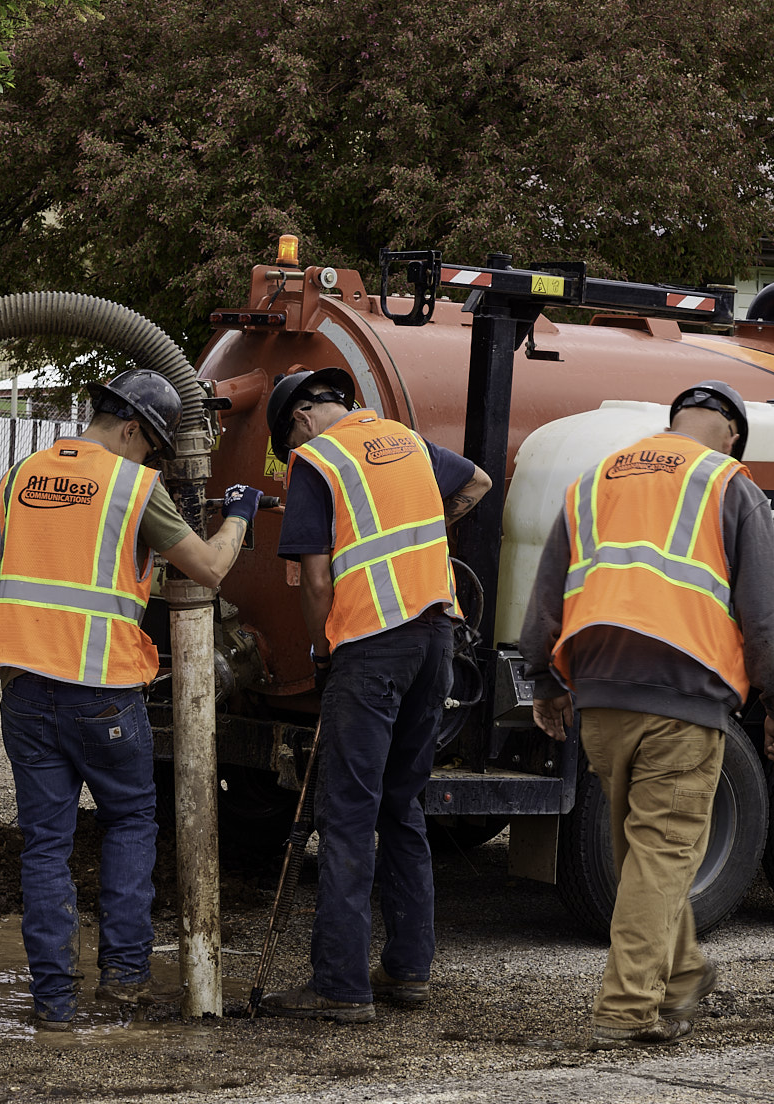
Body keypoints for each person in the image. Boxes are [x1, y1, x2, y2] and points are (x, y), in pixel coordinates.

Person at [519, 379, 774, 1049]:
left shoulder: (594, 482)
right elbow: (765, 617)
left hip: (602, 701)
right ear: (731, 432)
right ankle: (625, 1009)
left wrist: (541, 680)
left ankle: (681, 976)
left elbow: (547, 593)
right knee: (661, 855)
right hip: (683, 698)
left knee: (645, 856)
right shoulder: (728, 482)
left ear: (676, 421)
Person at [0, 369, 263, 1032]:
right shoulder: (134, 486)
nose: (152, 459)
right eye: (152, 445)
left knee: (46, 845)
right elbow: (211, 568)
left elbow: (16, 559)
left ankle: (52, 1003)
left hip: (23, 689)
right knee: (131, 825)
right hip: (102, 693)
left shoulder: (20, 475)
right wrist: (241, 517)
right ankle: (123, 988)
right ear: (133, 427)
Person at [257, 366, 492, 1024]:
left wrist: (321, 652)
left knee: (348, 813)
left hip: (370, 645)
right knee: (402, 805)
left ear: (299, 419)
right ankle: (409, 971)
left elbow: (314, 579)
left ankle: (340, 984)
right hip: (437, 637)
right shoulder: (406, 441)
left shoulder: (315, 460)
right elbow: (477, 482)